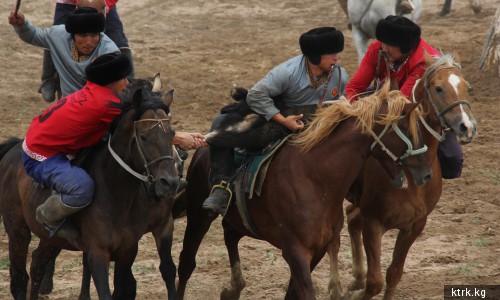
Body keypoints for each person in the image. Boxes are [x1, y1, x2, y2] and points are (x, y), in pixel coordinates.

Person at [202, 27, 348, 215]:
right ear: (314, 56)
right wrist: (283, 120)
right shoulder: (286, 72)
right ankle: (221, 187)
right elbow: (255, 95)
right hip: (280, 121)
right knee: (223, 126)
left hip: (320, 126)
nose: (337, 58)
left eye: (337, 53)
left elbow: (340, 98)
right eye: (331, 54)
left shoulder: (339, 74)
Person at [22, 52, 132, 242]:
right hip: (41, 155)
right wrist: (179, 138)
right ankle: (48, 216)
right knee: (82, 187)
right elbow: (135, 127)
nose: (127, 83)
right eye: (123, 79)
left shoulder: (95, 88)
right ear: (110, 82)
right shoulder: (106, 104)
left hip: (47, 140)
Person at [345, 15, 463, 179]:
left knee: (452, 160)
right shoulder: (378, 49)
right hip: (385, 97)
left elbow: (403, 100)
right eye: (382, 42)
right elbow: (354, 87)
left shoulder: (424, 61)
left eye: (389, 45)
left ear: (406, 47)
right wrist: (358, 111)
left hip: (420, 106)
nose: (383, 48)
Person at [9, 7, 120, 98]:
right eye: (83, 35)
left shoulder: (109, 53)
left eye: (94, 35)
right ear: (72, 35)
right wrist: (21, 23)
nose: (89, 42)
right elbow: (33, 35)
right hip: (67, 106)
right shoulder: (58, 35)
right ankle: (49, 79)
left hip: (96, 106)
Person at [38, 0, 135, 102]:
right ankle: (48, 79)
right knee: (55, 36)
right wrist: (84, 3)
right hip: (70, 4)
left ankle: (129, 81)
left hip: (104, 5)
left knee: (118, 39)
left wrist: (103, 4)